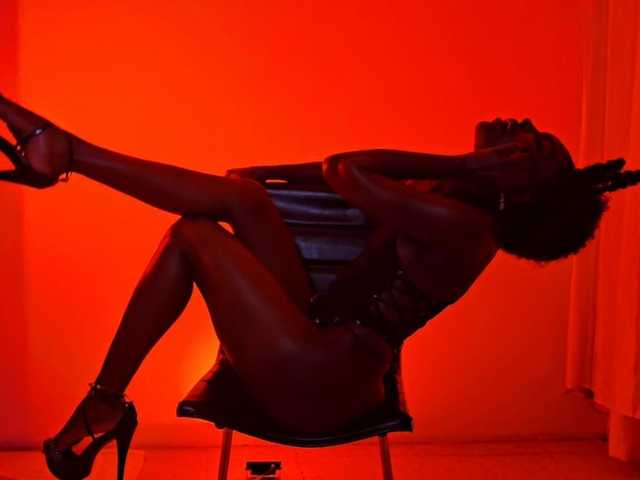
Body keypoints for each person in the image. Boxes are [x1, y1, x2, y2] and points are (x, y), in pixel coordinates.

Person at [0, 94, 637, 480]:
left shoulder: (467, 226)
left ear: (519, 189)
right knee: (244, 199)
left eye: (533, 145)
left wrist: (459, 163)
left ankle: (67, 156)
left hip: (318, 383)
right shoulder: (451, 197)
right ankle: (66, 153)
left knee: (193, 234)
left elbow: (344, 171)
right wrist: (263, 176)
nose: (521, 122)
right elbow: (340, 174)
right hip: (314, 332)